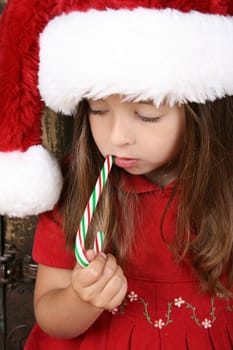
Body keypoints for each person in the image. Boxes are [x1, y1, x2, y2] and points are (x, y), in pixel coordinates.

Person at [0, 1, 233, 349]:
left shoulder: (224, 190)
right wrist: (81, 299)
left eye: (147, 115)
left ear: (200, 111)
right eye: (98, 110)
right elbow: (49, 315)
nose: (116, 136)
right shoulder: (76, 189)